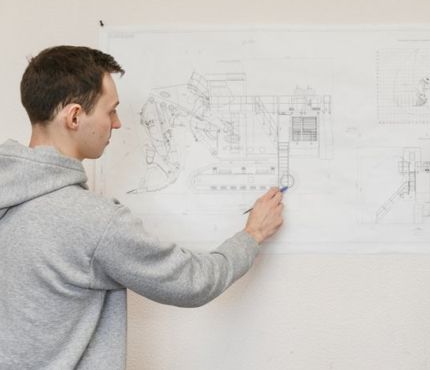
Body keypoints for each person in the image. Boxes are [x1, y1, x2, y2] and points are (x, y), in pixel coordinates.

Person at [0, 45, 284, 369]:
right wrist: (252, 235)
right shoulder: (94, 221)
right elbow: (193, 282)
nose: (117, 123)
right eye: (111, 111)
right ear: (75, 116)